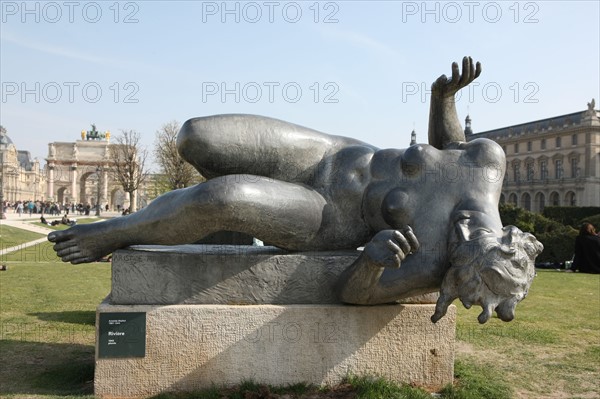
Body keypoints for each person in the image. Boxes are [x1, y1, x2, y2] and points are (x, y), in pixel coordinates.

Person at [49, 58, 542, 323]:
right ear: (501, 240)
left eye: (461, 266)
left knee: (226, 197)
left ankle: (114, 232)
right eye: (472, 250)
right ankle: (191, 221)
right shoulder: (486, 161)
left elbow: (355, 296)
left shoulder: (431, 267)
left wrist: (370, 261)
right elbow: (447, 146)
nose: (458, 248)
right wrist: (443, 99)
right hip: (330, 153)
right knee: (196, 135)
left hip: (328, 216)